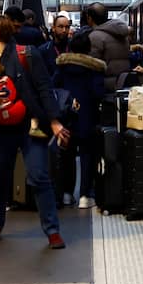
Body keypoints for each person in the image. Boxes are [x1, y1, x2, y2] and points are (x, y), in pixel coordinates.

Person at [0, 14, 70, 249]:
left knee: (39, 176)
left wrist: (55, 121)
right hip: (0, 128)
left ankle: (52, 230)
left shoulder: (27, 54)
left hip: (30, 126)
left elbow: (44, 88)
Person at [52, 30, 105, 208]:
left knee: (66, 155)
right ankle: (85, 195)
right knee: (87, 155)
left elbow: (54, 87)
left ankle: (67, 193)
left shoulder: (62, 66)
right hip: (87, 117)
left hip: (66, 116)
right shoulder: (94, 69)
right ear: (89, 49)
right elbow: (98, 92)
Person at [0, 58, 46, 139]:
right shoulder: (8, 79)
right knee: (28, 104)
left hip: (1, 115)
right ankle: (34, 127)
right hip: (18, 110)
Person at [84, 2, 130, 92]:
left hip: (105, 86)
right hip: (123, 81)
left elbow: (92, 65)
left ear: (89, 18)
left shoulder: (95, 37)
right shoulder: (121, 33)